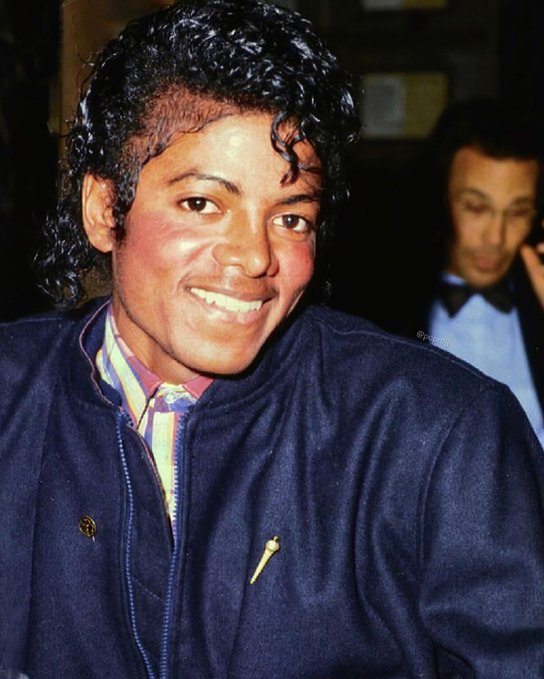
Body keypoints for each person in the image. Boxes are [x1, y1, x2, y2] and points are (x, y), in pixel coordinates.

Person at [0, 2, 543, 677]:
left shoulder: (436, 432)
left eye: (290, 217)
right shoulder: (11, 400)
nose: (255, 256)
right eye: (202, 204)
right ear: (104, 209)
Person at [405, 98, 544, 447]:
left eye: (517, 212)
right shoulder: (386, 306)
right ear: (441, 200)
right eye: (476, 207)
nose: (495, 238)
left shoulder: (537, 304)